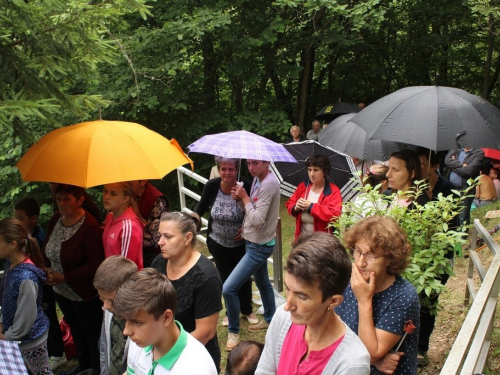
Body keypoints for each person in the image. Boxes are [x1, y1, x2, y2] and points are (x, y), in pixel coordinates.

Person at [256, 232, 371, 375]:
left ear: (333, 301)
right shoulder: (282, 318)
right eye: (288, 289)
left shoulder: (352, 364)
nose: (287, 305)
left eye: (302, 296)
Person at [336, 216, 420, 375]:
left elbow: (369, 351)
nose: (361, 262)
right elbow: (325, 328)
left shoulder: (403, 296)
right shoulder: (347, 278)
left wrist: (364, 300)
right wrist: (374, 360)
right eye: (358, 251)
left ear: (390, 259)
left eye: (371, 256)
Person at [43, 184, 105, 375]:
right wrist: (46, 269)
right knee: (75, 328)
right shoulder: (56, 219)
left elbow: (95, 264)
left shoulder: (90, 227)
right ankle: (84, 363)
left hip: (83, 293)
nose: (61, 203)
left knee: (90, 331)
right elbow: (49, 247)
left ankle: (96, 367)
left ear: (80, 200)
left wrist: (65, 277)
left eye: (67, 199)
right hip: (61, 291)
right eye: (58, 198)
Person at [151, 212, 222, 371]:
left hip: (192, 359)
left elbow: (205, 332)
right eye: (160, 235)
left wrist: (166, 353)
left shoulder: (206, 277)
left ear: (187, 238)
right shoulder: (159, 263)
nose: (160, 242)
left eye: (168, 237)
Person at [113, 268, 218, 375]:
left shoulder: (194, 369)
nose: (126, 331)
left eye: (136, 322)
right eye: (126, 320)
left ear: (166, 317)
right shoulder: (140, 342)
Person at [194, 157, 258, 328]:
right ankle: (230, 312)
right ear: (218, 169)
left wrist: (246, 228)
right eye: (223, 169)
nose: (227, 172)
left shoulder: (246, 185)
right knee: (226, 278)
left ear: (237, 169)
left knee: (243, 277)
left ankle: (247, 309)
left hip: (241, 243)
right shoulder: (212, 186)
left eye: (231, 169)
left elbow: (255, 212)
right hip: (217, 242)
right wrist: (192, 222)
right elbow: (199, 209)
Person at [227, 159, 280, 349]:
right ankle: (271, 318)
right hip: (254, 241)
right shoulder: (258, 179)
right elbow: (251, 211)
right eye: (248, 163)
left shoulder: (268, 184)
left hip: (259, 245)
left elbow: (257, 219)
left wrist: (246, 198)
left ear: (266, 163)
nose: (250, 167)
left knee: (228, 288)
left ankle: (233, 332)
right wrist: (241, 200)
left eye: (255, 163)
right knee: (263, 282)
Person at [416, 147, 460, 366]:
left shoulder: (448, 188)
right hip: (416, 258)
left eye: (423, 164)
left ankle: (421, 348)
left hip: (438, 259)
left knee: (428, 302)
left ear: (435, 165)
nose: (419, 168)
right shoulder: (414, 189)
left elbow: (455, 228)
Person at [0, 218, 52, 375]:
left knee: (41, 373)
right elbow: (6, 297)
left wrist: (7, 337)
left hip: (30, 340)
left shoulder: (26, 277)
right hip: (16, 336)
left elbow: (26, 315)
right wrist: (2, 322)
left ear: (13, 244)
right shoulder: (10, 265)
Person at [94, 256, 138, 375]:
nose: (105, 306)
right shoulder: (109, 311)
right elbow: (104, 347)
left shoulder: (142, 322)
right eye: (101, 299)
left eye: (111, 301)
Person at [285, 155, 342, 240]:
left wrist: (311, 206)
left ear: (325, 172)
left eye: (316, 170)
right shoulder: (303, 186)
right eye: (309, 169)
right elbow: (290, 203)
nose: (312, 174)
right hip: (301, 239)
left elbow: (334, 215)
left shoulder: (333, 191)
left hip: (322, 241)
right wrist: (296, 207)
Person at [103, 181, 145, 270]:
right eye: (105, 191)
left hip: (123, 281)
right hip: (109, 277)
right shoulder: (110, 217)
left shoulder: (129, 227)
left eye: (113, 194)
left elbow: (125, 268)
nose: (106, 197)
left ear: (125, 199)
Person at [131, 180, 169, 267]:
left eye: (130, 181)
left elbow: (156, 239)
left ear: (143, 181)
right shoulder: (124, 194)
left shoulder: (157, 200)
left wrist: (128, 234)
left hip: (151, 258)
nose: (125, 183)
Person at [445, 148, 484, 224]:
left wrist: (453, 165)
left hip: (465, 189)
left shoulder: (478, 153)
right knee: (450, 214)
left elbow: (468, 171)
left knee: (463, 216)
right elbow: (447, 161)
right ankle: (452, 234)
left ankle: (463, 235)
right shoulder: (456, 149)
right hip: (451, 188)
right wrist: (461, 164)